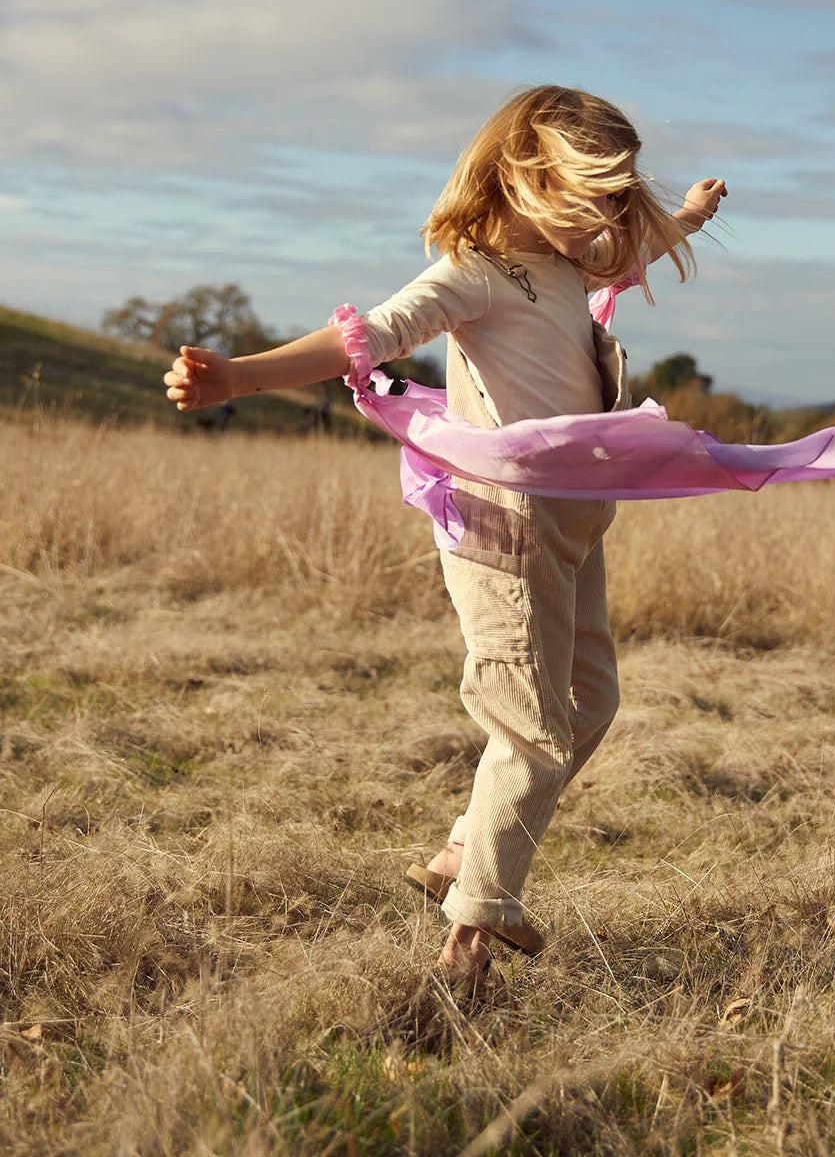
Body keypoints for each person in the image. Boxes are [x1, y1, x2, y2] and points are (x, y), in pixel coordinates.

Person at [164, 84, 727, 987]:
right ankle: (469, 939)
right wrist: (237, 376)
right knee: (533, 729)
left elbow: (630, 260)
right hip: (504, 529)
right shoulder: (471, 273)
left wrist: (686, 216)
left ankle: (466, 852)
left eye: (619, 196)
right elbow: (372, 335)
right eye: (596, 193)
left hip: (575, 525)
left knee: (592, 702)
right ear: (529, 178)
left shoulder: (564, 270)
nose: (612, 215)